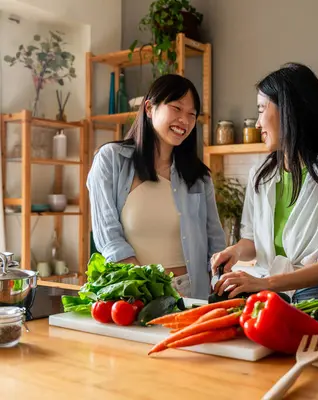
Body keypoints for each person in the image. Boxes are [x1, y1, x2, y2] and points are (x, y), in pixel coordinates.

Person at [211, 62, 318, 303]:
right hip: (266, 296)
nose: (258, 123)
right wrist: (234, 251)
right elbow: (252, 240)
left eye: (262, 109)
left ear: (289, 111)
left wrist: (264, 283)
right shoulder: (260, 175)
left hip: (314, 297)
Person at [87, 74, 226, 300]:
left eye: (192, 114)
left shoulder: (199, 177)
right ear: (150, 109)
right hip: (134, 293)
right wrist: (149, 287)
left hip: (192, 296)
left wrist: (220, 282)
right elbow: (108, 237)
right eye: (177, 108)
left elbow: (216, 243)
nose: (185, 120)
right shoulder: (111, 160)